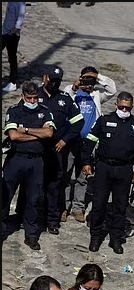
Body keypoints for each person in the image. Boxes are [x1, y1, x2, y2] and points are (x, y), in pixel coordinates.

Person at [15, 65, 85, 235]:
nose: (54, 84)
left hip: (55, 150)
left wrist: (64, 140)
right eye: (52, 80)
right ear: (45, 78)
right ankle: (23, 216)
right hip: (34, 149)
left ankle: (52, 220)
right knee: (29, 184)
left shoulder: (65, 99)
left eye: (58, 81)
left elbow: (78, 122)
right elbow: (18, 117)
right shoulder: (33, 95)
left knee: (53, 186)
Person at [82, 91, 134, 254]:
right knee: (99, 204)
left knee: (120, 206)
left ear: (131, 107)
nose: (124, 111)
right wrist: (86, 163)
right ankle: (95, 237)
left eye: (127, 108)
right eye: (121, 107)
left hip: (124, 170)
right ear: (116, 105)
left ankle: (116, 239)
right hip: (104, 167)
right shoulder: (104, 121)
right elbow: (89, 143)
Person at [2, 81, 56, 250]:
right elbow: (13, 136)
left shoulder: (45, 112)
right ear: (23, 96)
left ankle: (31, 235)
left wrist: (25, 130)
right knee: (5, 196)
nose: (32, 101)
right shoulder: (14, 111)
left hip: (36, 161)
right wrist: (37, 133)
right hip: (16, 159)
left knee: (33, 199)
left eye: (35, 98)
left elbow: (49, 133)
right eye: (29, 98)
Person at [62, 66, 117, 224]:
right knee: (66, 175)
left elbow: (112, 89)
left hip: (88, 144)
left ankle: (78, 207)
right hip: (71, 141)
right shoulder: (71, 91)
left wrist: (98, 77)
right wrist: (75, 87)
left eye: (91, 81)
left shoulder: (96, 95)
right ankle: (64, 207)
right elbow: (66, 97)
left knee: (82, 177)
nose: (89, 84)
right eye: (86, 80)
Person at [1, 2, 26, 93]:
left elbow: (20, 18)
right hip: (5, 31)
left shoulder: (20, 3)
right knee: (12, 57)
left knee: (12, 57)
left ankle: (13, 82)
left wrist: (12, 31)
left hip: (11, 34)